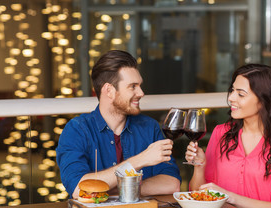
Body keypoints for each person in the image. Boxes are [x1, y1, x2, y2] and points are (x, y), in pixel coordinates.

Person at [185, 64, 271, 208]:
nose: (231, 98)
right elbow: (199, 196)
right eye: (232, 91)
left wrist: (229, 197)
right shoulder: (221, 133)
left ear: (264, 100)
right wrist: (199, 167)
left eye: (240, 94)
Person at [57, 50, 181, 199]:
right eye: (133, 86)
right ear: (109, 90)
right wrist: (140, 160)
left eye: (140, 85)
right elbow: (78, 189)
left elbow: (171, 184)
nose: (141, 93)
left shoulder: (150, 127)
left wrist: (107, 190)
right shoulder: (77, 130)